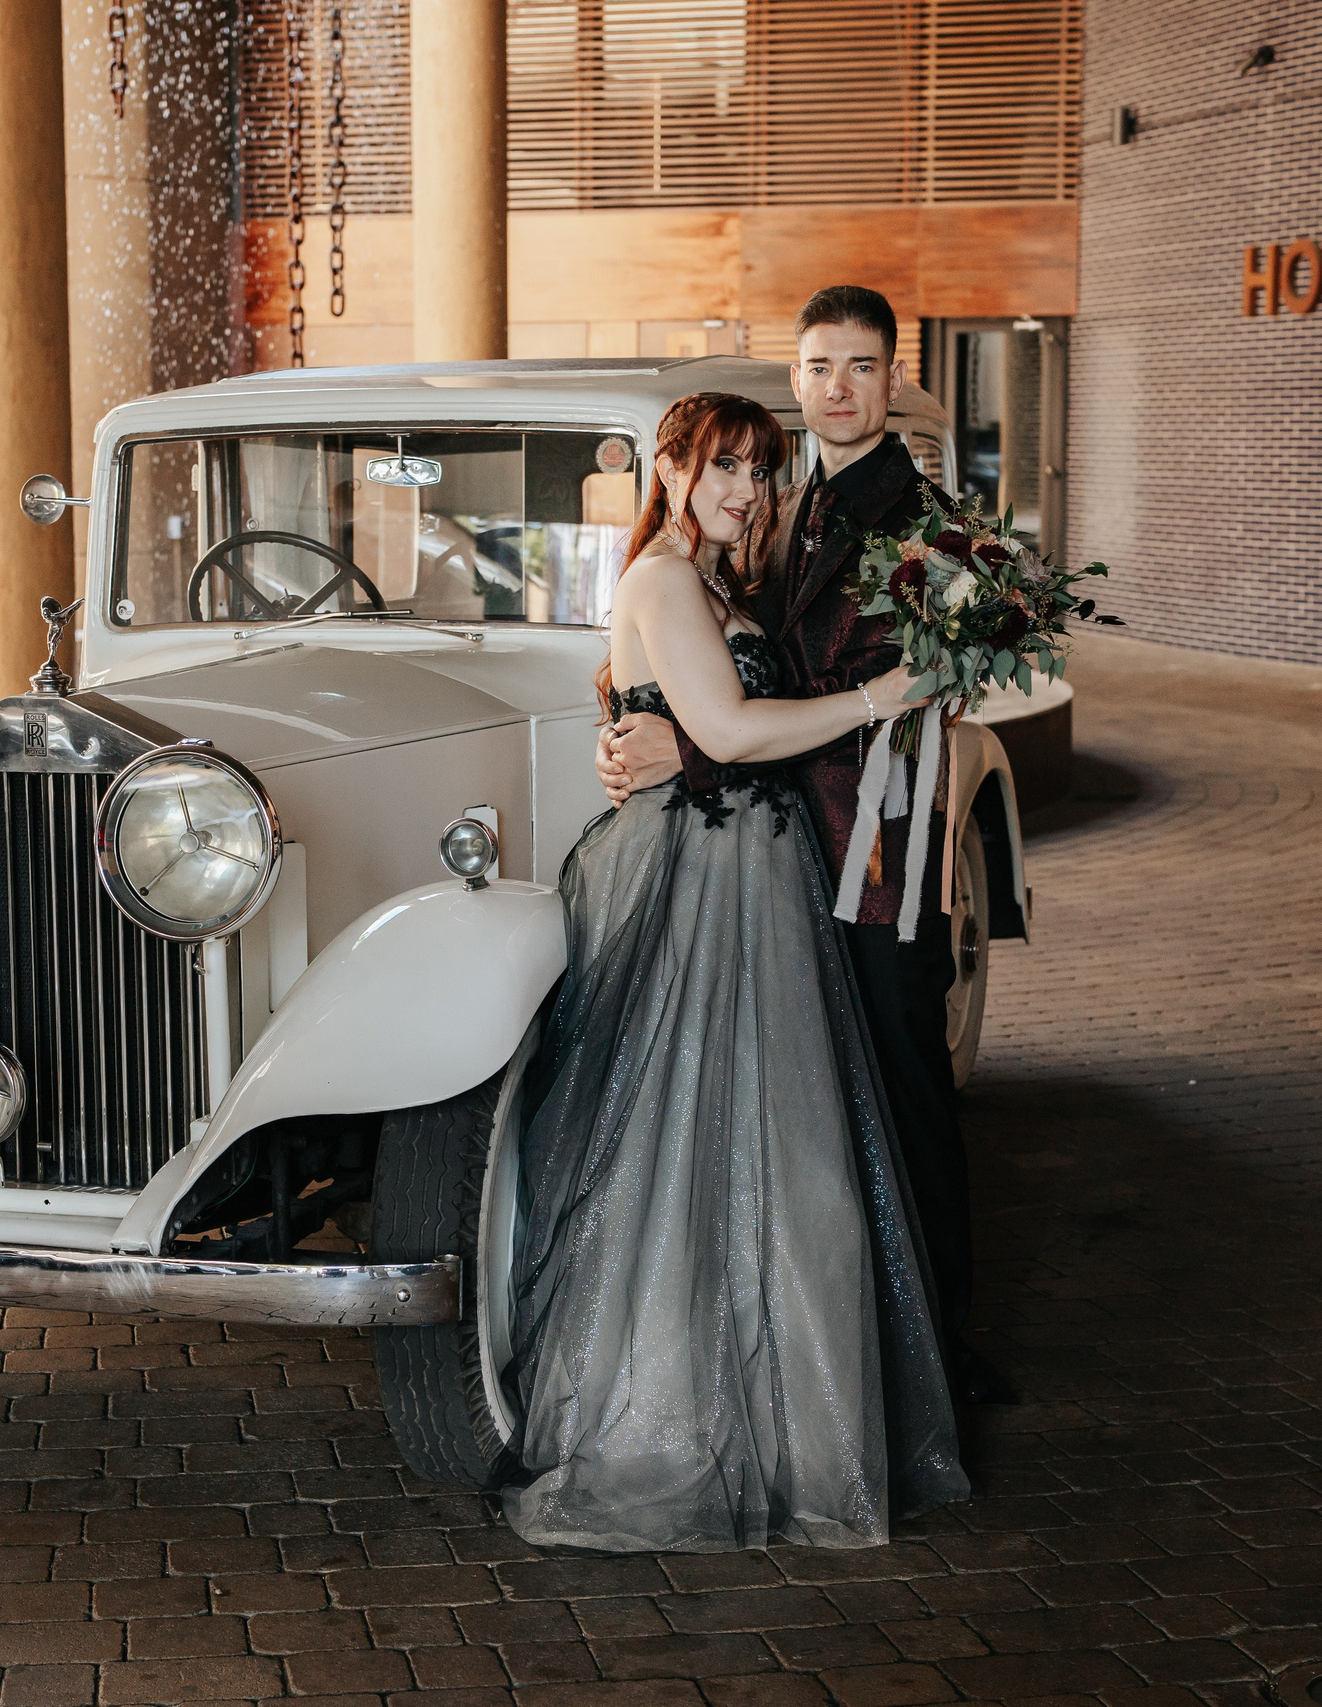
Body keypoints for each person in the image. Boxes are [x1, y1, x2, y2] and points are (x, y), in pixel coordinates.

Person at [502, 390, 968, 1553]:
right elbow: (736, 730)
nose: (744, 491)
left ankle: (789, 1429)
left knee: (780, 1162)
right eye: (722, 468)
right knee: (693, 1154)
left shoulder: (719, 583)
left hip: (757, 878)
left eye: (759, 470)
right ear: (670, 468)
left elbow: (711, 720)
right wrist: (881, 695)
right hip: (700, 887)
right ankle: (686, 1426)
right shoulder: (664, 578)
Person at [597, 286, 1017, 1408]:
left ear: (891, 379)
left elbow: (870, 693)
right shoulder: (771, 515)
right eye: (821, 366)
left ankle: (940, 1361)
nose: (840, 387)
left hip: (872, 857)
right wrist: (660, 731)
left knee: (904, 1097)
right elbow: (724, 677)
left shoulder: (925, 525)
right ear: (796, 379)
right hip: (776, 856)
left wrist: (687, 749)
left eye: (862, 367)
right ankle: (830, 1340)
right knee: (817, 1109)